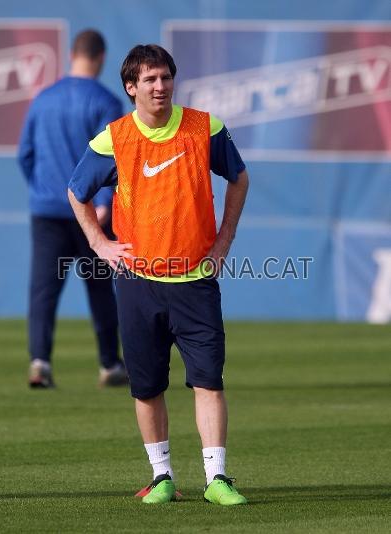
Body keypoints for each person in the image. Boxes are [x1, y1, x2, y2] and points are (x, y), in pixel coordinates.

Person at [68, 44, 249, 505]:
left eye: (165, 77)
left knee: (209, 380)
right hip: (138, 284)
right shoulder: (114, 138)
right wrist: (99, 243)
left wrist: (223, 242)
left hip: (195, 281)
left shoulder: (204, 127)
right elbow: (77, 190)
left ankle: (217, 480)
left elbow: (239, 178)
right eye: (149, 79)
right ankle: (162, 476)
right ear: (131, 88)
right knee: (146, 385)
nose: (159, 86)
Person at [18, 29, 127, 388]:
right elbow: (111, 160)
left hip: (48, 210)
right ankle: (110, 365)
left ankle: (40, 363)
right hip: (91, 214)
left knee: (43, 291)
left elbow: (26, 155)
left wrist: (42, 191)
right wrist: (102, 203)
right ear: (100, 57)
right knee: (100, 288)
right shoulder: (107, 102)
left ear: (71, 55)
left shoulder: (43, 98)